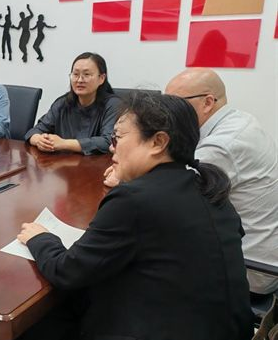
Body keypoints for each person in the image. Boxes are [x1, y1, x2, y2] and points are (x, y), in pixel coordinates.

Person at [0, 93, 254, 340]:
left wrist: (40, 238)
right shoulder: (207, 186)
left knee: (71, 295)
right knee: (80, 295)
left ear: (158, 142)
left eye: (118, 138)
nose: (111, 147)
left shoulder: (135, 200)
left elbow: (66, 270)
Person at [105, 68, 278, 294]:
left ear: (208, 102)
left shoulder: (224, 144)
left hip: (249, 268)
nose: (166, 112)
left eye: (176, 102)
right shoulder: (239, 120)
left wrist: (124, 176)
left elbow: (169, 190)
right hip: (241, 245)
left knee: (124, 262)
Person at [25, 52, 121, 155]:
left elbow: (109, 141)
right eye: (75, 74)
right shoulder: (62, 103)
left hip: (98, 164)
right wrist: (39, 140)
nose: (80, 80)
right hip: (63, 163)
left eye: (86, 74)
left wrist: (64, 144)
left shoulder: (113, 105)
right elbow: (35, 131)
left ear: (101, 78)